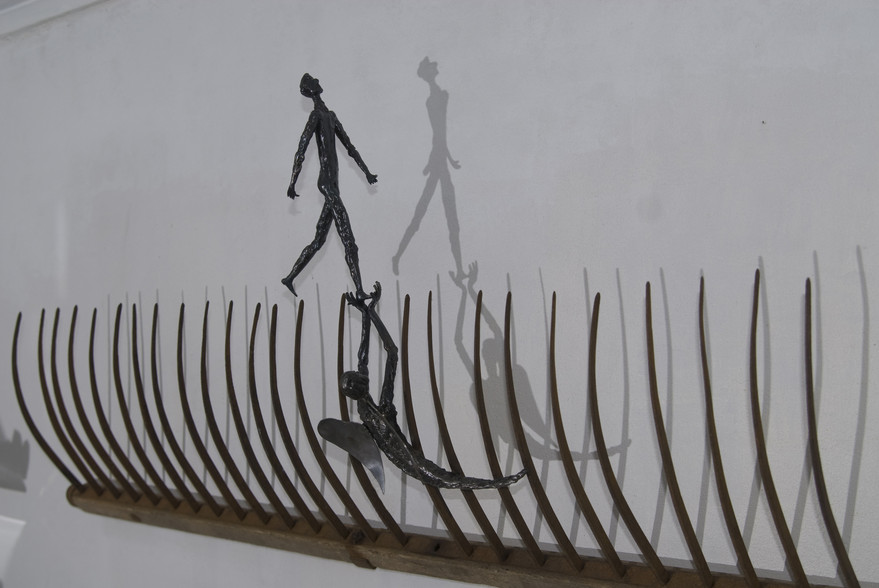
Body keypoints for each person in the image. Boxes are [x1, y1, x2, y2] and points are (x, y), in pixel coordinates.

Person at [282, 73, 378, 298]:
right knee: (348, 238)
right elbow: (301, 149)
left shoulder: (330, 116)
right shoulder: (315, 115)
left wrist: (366, 172)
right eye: (314, 80)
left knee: (319, 241)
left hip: (334, 186)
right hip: (326, 184)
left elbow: (350, 147)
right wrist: (293, 182)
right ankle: (360, 290)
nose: (318, 81)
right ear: (311, 89)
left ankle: (290, 277)